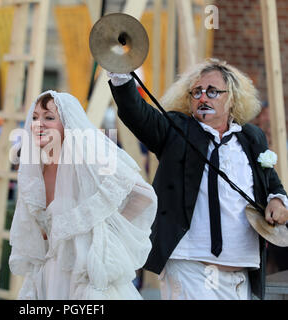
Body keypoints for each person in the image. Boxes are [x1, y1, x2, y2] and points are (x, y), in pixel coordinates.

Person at [108, 58, 288, 300]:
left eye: (212, 92)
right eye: (196, 92)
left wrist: (278, 201)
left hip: (242, 268)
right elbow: (137, 114)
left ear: (232, 97)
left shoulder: (251, 137)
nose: (203, 98)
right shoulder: (176, 129)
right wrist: (120, 75)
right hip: (189, 263)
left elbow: (272, 184)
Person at [8, 91, 157, 300]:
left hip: (85, 276)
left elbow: (144, 195)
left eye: (48, 117)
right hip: (50, 276)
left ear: (67, 124)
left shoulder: (88, 161)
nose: (38, 124)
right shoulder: (36, 169)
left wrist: (105, 234)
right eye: (34, 117)